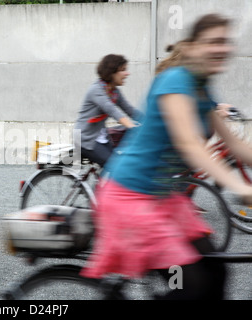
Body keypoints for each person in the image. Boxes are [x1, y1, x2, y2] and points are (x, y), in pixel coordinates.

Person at [81, 13, 252, 299]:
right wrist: (240, 187)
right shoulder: (175, 79)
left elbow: (234, 144)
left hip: (163, 199)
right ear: (194, 46)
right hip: (131, 199)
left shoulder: (201, 88)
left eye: (225, 41)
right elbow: (190, 144)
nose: (221, 48)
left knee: (217, 272)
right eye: (213, 42)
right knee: (191, 284)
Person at [73, 54, 142, 168]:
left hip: (100, 138)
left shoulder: (114, 92)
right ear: (111, 72)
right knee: (116, 168)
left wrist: (151, 122)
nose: (127, 73)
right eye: (123, 70)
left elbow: (130, 111)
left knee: (121, 164)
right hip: (85, 139)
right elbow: (113, 111)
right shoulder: (96, 90)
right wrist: (132, 127)